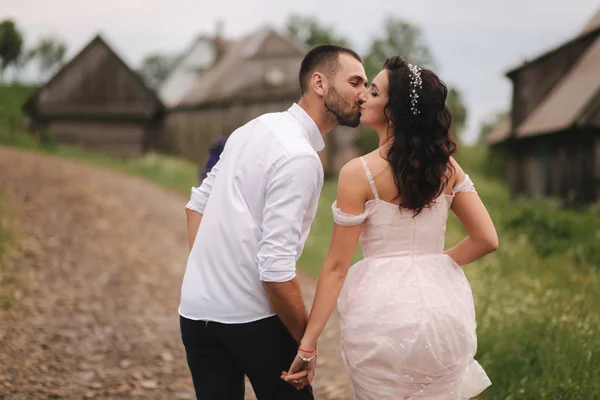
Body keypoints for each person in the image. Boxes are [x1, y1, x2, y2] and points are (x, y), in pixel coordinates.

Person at [284, 56, 498, 399]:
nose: (363, 97)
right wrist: (435, 263)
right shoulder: (447, 167)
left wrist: (307, 345)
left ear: (394, 110)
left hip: (382, 316)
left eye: (373, 92)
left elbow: (338, 267)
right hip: (443, 311)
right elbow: (487, 239)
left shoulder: (359, 173)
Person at [179, 44, 368, 399]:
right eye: (355, 82)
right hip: (252, 319)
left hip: (195, 312)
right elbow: (275, 269)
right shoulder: (300, 157)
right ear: (319, 83)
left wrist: (210, 276)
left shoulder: (255, 127)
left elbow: (195, 205)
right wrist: (304, 344)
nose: (363, 94)